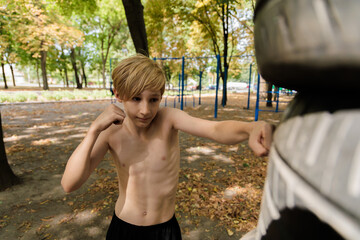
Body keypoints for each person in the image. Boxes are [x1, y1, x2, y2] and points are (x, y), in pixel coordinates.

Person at [61, 54, 274, 240]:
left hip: (164, 230)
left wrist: (250, 128)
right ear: (118, 94)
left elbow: (215, 129)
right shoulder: (111, 132)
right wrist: (93, 131)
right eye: (136, 99)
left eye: (153, 100)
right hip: (124, 228)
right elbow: (70, 184)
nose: (145, 110)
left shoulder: (168, 120)